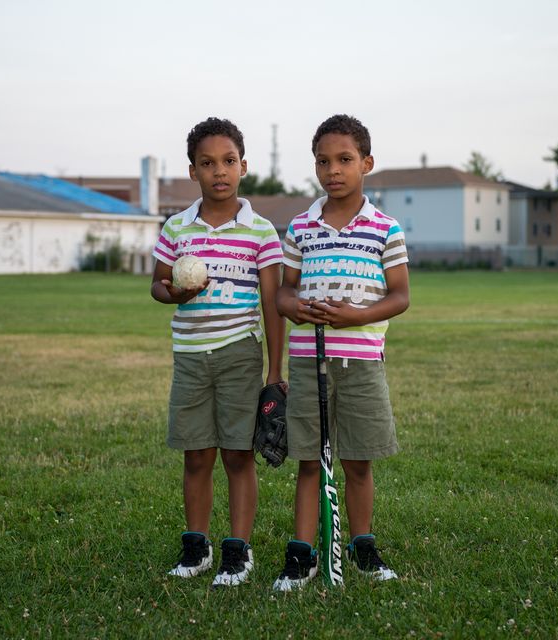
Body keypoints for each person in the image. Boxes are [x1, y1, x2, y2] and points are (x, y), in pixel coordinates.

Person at [273, 114, 410, 591]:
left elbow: (400, 296)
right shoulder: (301, 227)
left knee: (357, 460)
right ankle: (302, 554)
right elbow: (284, 294)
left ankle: (362, 546)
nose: (333, 170)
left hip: (363, 359)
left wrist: (357, 315)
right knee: (311, 460)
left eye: (345, 160)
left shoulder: (385, 228)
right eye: (323, 161)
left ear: (366, 163)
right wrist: (298, 309)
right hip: (311, 361)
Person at [151, 117, 284, 587]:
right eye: (207, 163)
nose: (219, 171)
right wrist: (175, 295)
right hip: (190, 355)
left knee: (237, 455)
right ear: (193, 171)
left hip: (238, 355)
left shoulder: (261, 232)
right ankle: (196, 547)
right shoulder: (176, 227)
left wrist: (275, 370)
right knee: (196, 455)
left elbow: (272, 305)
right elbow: (158, 285)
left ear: (244, 166)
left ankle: (237, 551)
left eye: (228, 161)